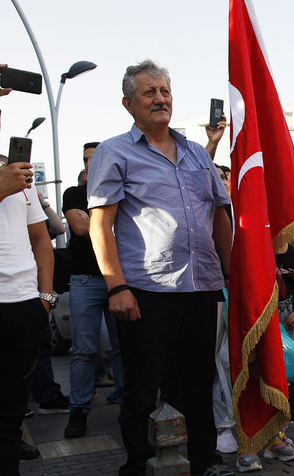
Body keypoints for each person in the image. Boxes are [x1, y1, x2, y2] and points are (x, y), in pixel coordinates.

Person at [86, 60, 234, 476]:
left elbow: (219, 215)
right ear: (128, 103)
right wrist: (117, 287)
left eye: (164, 91)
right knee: (142, 386)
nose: (159, 99)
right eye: (149, 92)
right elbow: (101, 224)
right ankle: (137, 464)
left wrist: (232, 274)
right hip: (146, 290)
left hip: (202, 287)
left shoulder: (195, 152)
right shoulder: (114, 152)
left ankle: (204, 461)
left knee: (198, 380)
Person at [62, 141, 124, 439]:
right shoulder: (73, 193)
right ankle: (78, 411)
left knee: (121, 348)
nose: (90, 163)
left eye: (95, 158)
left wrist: (97, 222)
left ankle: (129, 409)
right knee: (83, 350)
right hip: (85, 280)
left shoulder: (120, 189)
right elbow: (81, 228)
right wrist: (106, 224)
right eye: (86, 159)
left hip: (119, 278)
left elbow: (111, 228)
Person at [0, 145, 55, 475]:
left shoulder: (17, 172)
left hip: (23, 309)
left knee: (9, 423)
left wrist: (45, 299)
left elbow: (40, 238)